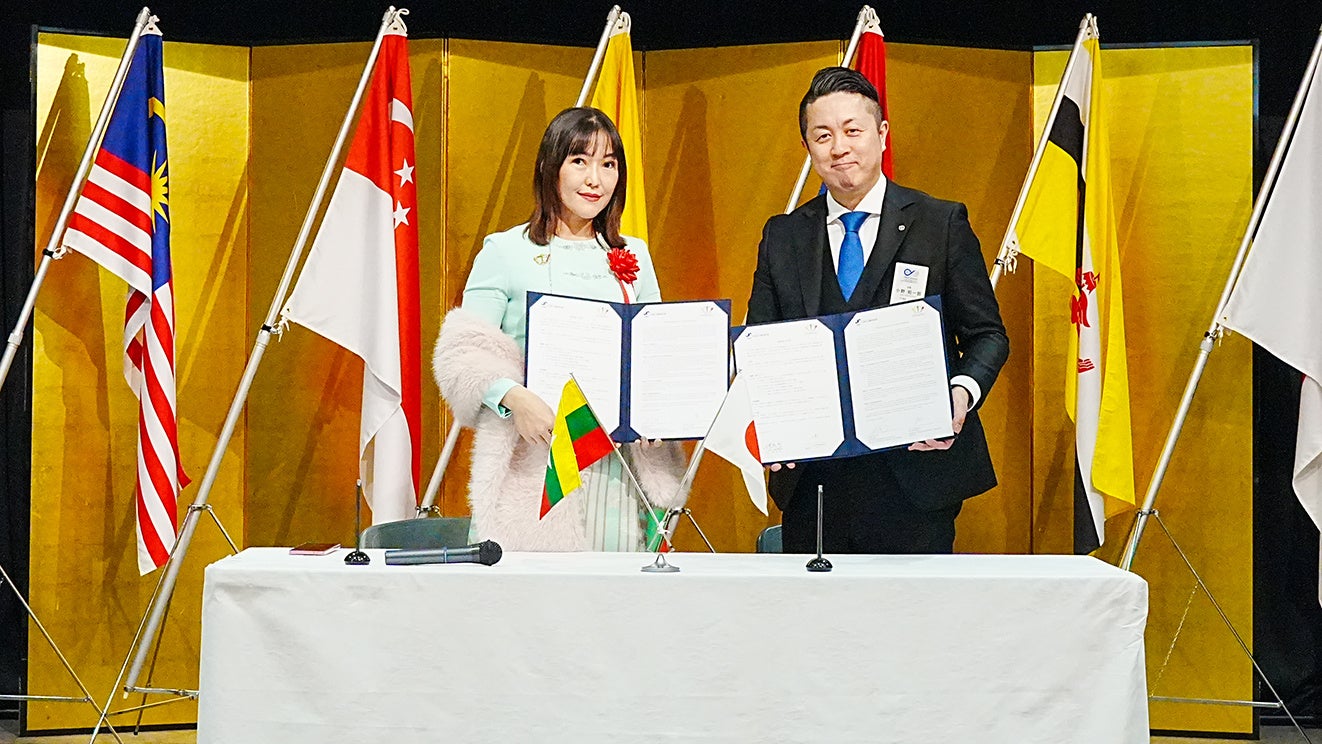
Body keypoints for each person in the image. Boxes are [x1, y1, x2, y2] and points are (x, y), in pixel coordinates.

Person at [747, 67, 1009, 554]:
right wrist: (765, 418)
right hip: (812, 480)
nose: (839, 148)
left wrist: (960, 396)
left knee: (912, 605)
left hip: (917, 477)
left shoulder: (940, 223)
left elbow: (988, 335)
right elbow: (759, 345)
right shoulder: (782, 235)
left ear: (882, 134)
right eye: (823, 135)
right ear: (807, 146)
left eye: (853, 130)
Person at [435, 107, 687, 552]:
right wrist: (515, 399)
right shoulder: (505, 251)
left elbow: (656, 350)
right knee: (540, 593)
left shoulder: (634, 255)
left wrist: (658, 409)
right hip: (536, 460)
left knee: (619, 588)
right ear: (549, 167)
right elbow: (463, 354)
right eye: (579, 161)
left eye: (608, 164)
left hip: (619, 464)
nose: (595, 179)